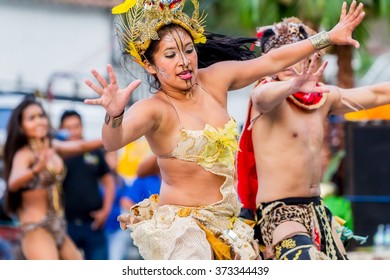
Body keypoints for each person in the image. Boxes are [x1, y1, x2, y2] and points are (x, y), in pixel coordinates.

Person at [83, 0, 365, 260]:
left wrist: (327, 37)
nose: (184, 61)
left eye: (189, 50)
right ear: (150, 64)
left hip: (230, 227)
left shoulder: (215, 79)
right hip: (184, 232)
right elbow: (112, 141)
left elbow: (271, 61)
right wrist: (115, 113)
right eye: (170, 55)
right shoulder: (154, 109)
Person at [236, 16, 390, 260]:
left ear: (309, 58)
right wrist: (292, 86)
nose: (287, 64)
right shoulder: (265, 93)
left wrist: (300, 86)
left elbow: (375, 93)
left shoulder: (322, 98)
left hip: (317, 210)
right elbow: (263, 97)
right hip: (280, 215)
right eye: (281, 57)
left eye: (293, 57)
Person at [2, 97, 103, 260]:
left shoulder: (52, 146)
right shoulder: (24, 154)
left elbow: (81, 146)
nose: (39, 121)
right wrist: (36, 169)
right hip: (36, 228)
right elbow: (13, 182)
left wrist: (115, 138)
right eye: (31, 118)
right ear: (21, 126)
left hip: (58, 225)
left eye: (41, 116)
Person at [59, 109, 115, 260]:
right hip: (66, 224)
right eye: (68, 128)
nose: (73, 132)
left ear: (82, 127)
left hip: (93, 223)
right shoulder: (57, 155)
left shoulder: (93, 152)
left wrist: (106, 210)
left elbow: (108, 181)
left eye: (76, 126)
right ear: (60, 130)